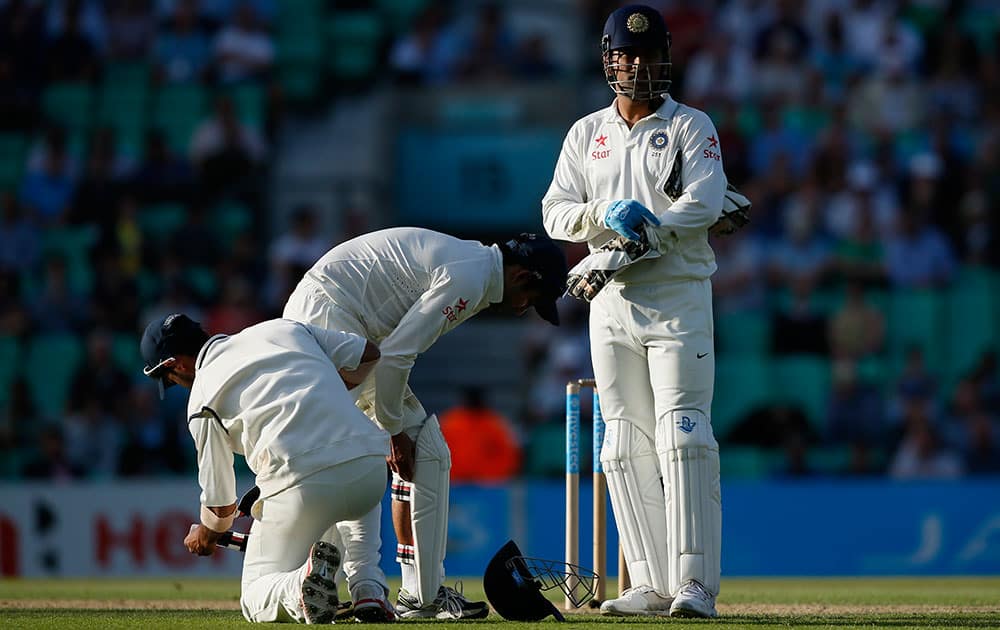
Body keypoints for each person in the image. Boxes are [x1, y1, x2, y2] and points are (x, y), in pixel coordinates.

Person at [541, 4, 733, 618]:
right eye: (626, 56)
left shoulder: (690, 126)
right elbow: (555, 212)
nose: (638, 67)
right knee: (623, 445)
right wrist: (604, 217)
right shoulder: (585, 133)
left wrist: (646, 236)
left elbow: (705, 202)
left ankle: (695, 586)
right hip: (613, 303)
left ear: (665, 60)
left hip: (677, 297)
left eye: (648, 57)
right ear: (608, 60)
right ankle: (648, 584)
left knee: (684, 435)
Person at [283, 227, 567, 619]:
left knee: (370, 450)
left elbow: (393, 353)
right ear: (521, 276)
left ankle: (386, 588)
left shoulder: (473, 265)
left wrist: (392, 427)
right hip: (333, 316)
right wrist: (394, 429)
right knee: (418, 446)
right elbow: (398, 355)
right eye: (531, 299)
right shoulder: (470, 277)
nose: (522, 308)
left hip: (329, 313)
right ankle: (415, 594)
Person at [140, 312, 391, 623]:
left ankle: (298, 587)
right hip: (370, 468)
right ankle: (368, 587)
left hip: (303, 486)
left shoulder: (202, 398)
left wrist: (205, 537)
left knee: (256, 595)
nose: (177, 384)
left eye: (170, 380)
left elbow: (219, 507)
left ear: (175, 364)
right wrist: (334, 389)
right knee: (346, 481)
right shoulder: (281, 328)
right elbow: (369, 354)